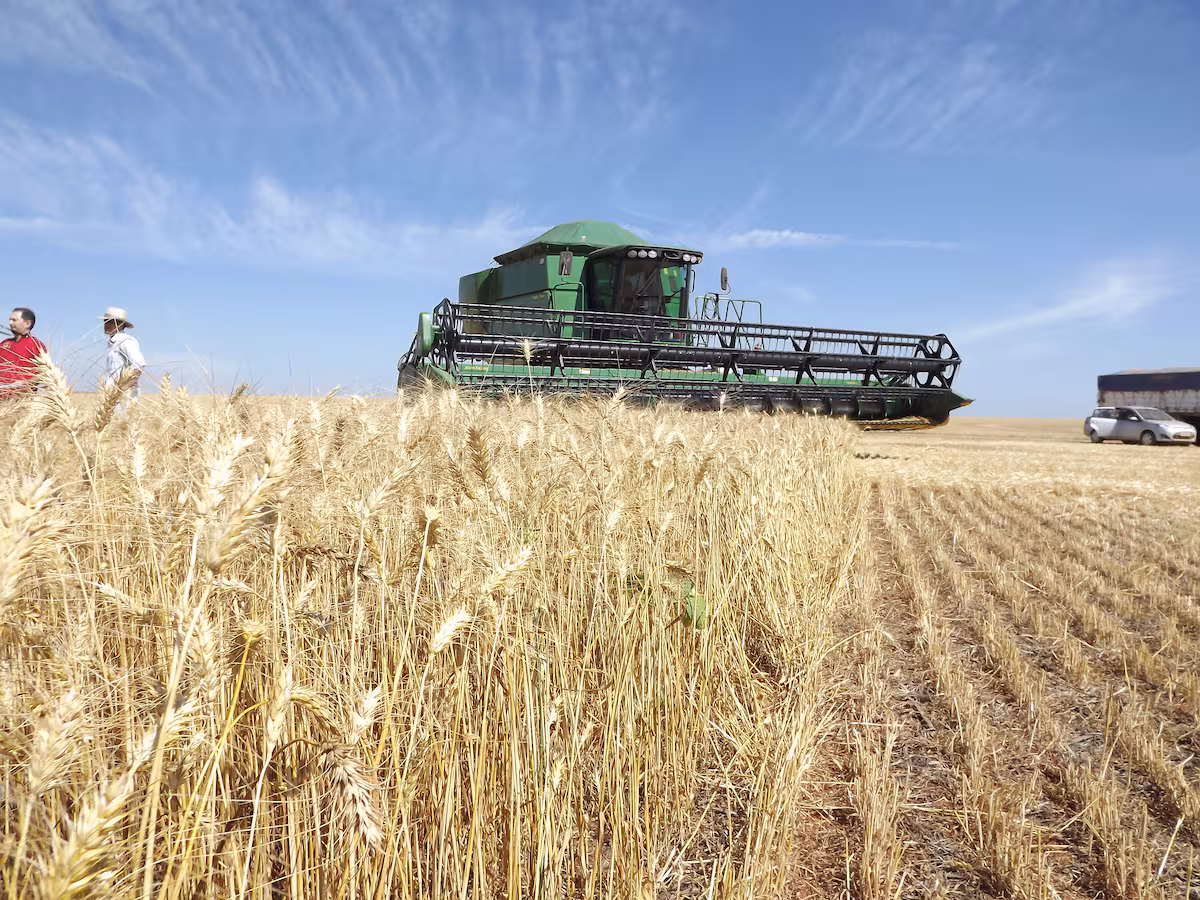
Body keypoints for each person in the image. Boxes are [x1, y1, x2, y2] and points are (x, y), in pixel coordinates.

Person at [0, 307, 48, 397]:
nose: (10, 323)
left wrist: (25, 383)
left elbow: (45, 372)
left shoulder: (36, 345)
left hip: (21, 402)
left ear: (27, 323)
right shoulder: (4, 344)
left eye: (14, 320)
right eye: (10, 320)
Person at [101, 306, 146, 400]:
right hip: (111, 395)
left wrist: (125, 386)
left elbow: (139, 362)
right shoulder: (113, 342)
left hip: (122, 397)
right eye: (105, 321)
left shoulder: (124, 340)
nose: (106, 324)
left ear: (121, 324)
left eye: (110, 322)